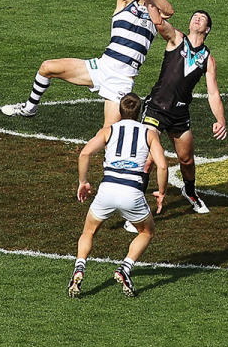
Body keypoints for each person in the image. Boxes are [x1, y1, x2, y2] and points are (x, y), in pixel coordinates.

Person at [2, 0, 176, 127]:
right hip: (101, 66)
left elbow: (169, 11)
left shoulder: (154, 17)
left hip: (121, 79)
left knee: (108, 130)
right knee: (47, 67)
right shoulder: (123, 4)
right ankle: (29, 108)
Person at [130, 0, 227, 214]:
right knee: (149, 158)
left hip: (179, 114)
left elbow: (213, 93)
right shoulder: (177, 39)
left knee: (186, 160)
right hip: (155, 108)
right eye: (195, 16)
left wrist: (220, 120)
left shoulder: (208, 59)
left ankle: (190, 191)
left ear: (208, 29)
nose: (197, 19)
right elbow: (159, 22)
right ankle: (136, 204)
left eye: (202, 18)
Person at [68, 92, 168, 298]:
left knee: (89, 231)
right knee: (146, 232)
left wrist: (83, 182)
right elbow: (162, 165)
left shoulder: (108, 130)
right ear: (139, 112)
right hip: (132, 191)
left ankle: (79, 268)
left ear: (120, 111)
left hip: (107, 189)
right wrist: (161, 191)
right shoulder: (149, 133)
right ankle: (125, 268)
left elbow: (84, 153)